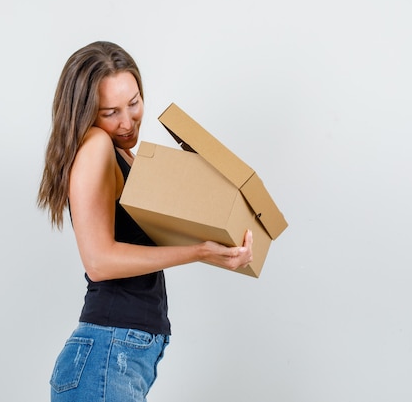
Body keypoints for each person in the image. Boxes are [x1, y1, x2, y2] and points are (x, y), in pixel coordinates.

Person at [38, 41, 253, 402]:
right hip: (108, 353)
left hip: (117, 355)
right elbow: (99, 261)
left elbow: (150, 238)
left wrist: (221, 237)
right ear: (86, 113)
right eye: (110, 112)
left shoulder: (124, 153)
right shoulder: (96, 146)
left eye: (134, 103)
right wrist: (199, 251)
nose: (127, 121)